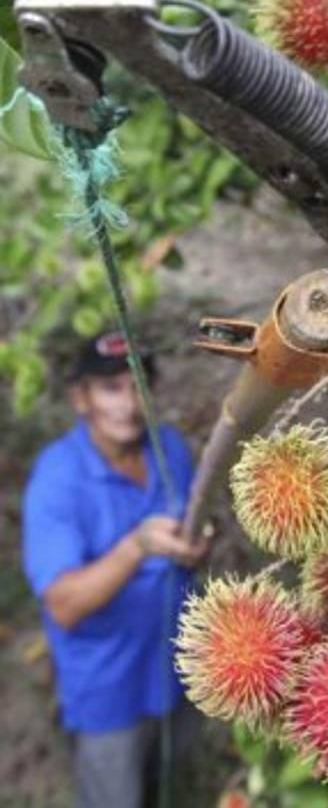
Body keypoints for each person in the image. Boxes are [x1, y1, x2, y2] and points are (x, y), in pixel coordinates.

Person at [22, 331, 209, 808]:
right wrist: (137, 548)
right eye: (110, 389)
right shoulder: (58, 478)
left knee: (173, 772)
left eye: (138, 387)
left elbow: (188, 533)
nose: (127, 404)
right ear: (80, 398)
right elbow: (63, 604)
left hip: (178, 667)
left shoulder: (169, 448)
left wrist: (194, 548)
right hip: (109, 689)